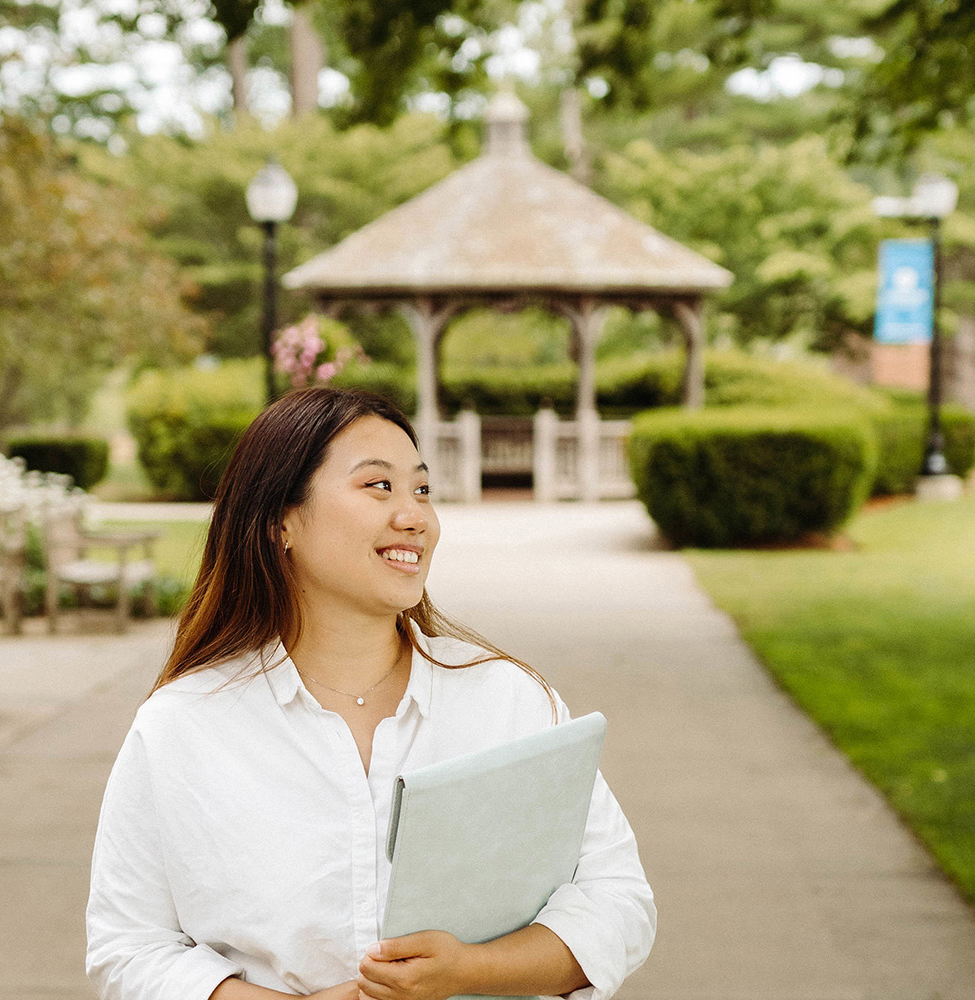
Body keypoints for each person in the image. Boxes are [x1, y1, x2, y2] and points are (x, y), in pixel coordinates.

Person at [85, 387, 654, 1000]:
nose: (415, 516)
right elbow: (129, 947)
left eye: (422, 490)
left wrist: (470, 971)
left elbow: (616, 901)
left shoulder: (509, 701)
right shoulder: (184, 724)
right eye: (378, 486)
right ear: (281, 519)